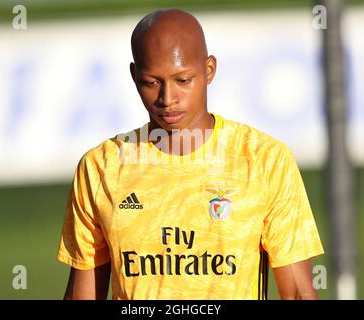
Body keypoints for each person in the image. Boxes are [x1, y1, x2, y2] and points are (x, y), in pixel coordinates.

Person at [57, 8, 324, 300]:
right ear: (134, 76)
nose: (167, 98)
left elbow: (298, 293)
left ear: (208, 70)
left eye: (182, 80)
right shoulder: (101, 168)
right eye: (151, 82)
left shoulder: (265, 161)